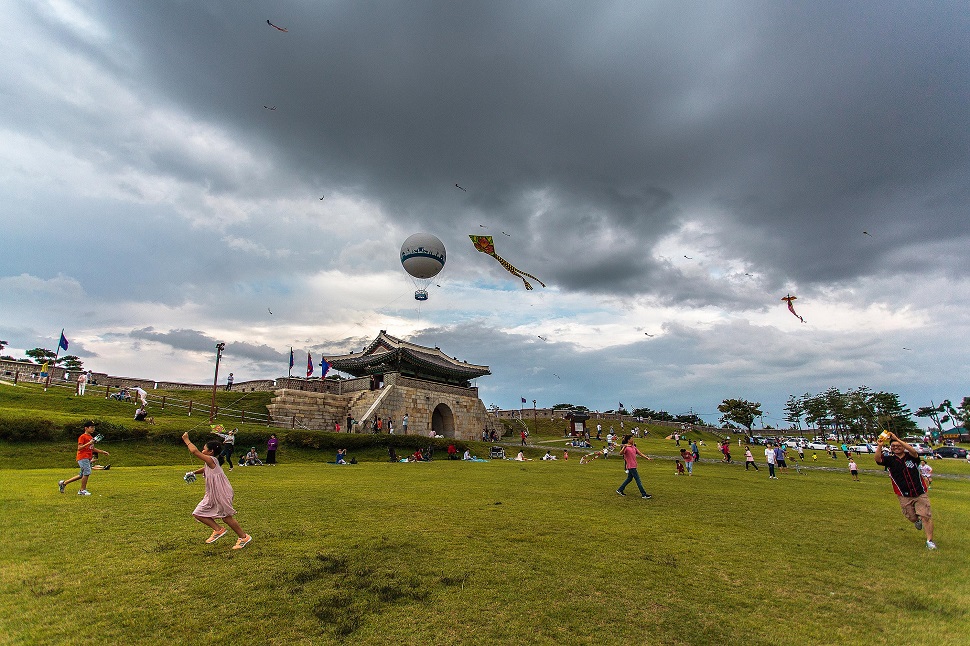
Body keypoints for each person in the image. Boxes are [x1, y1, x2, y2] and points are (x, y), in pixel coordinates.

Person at [181, 432, 251, 550]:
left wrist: (186, 440)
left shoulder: (211, 459)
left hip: (222, 493)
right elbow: (205, 468)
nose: (202, 450)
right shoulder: (212, 462)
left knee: (226, 517)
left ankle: (244, 537)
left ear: (211, 452)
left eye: (204, 449)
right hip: (212, 493)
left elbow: (194, 451)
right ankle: (218, 529)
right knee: (198, 513)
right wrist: (194, 473)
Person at [875, 432, 936, 549]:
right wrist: (880, 446)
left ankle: (930, 541)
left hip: (919, 492)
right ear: (891, 448)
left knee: (926, 516)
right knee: (912, 517)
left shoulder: (911, 457)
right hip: (903, 494)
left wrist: (897, 439)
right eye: (893, 446)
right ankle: (916, 521)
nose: (896, 447)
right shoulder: (889, 460)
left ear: (903, 446)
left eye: (899, 446)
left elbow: (913, 451)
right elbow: (878, 459)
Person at [58, 422, 109, 495]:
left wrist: (102, 452)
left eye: (94, 427)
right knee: (87, 472)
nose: (93, 429)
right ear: (86, 428)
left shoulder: (91, 437)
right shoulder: (82, 437)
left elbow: (92, 448)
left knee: (81, 475)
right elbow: (79, 448)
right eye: (91, 427)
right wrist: (89, 443)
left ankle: (63, 483)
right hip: (82, 457)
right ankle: (82, 490)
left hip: (87, 457)